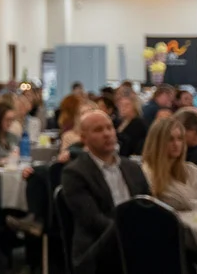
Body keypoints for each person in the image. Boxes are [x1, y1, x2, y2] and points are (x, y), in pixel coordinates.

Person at [59, 111, 150, 274]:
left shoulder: (133, 168)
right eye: (98, 130)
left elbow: (147, 205)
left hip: (135, 242)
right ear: (84, 138)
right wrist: (128, 234)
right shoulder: (75, 173)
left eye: (109, 128)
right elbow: (92, 219)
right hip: (97, 247)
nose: (107, 134)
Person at [141, 116, 197, 211]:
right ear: (158, 143)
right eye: (170, 139)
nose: (176, 144)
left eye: (180, 139)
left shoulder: (194, 172)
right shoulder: (146, 174)